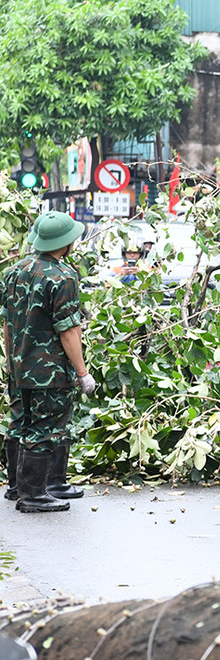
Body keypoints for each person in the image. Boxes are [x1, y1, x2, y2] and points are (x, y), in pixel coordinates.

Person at [2, 212, 96, 514]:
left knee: (20, 422)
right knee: (45, 427)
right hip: (49, 371)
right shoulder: (63, 276)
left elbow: (7, 322)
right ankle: (34, 495)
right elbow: (68, 330)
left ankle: (18, 486)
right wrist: (82, 372)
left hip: (19, 365)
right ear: (67, 243)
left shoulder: (15, 271)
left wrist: (9, 361)